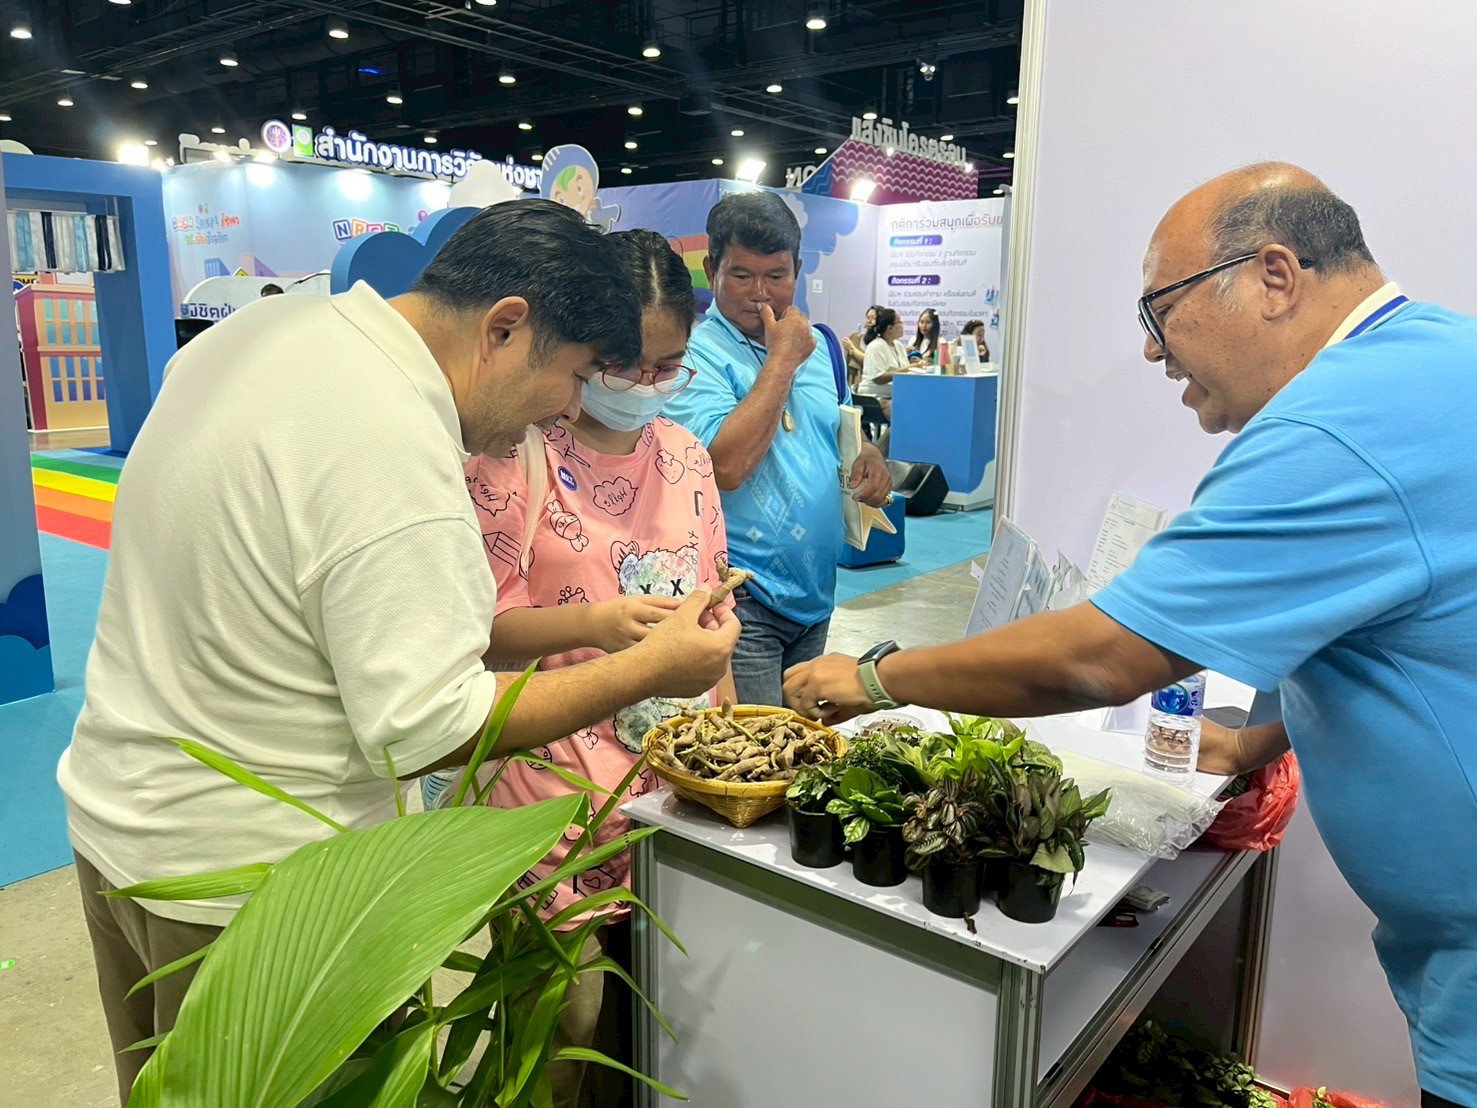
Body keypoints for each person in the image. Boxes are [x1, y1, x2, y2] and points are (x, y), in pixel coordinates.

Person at [783, 163, 1477, 1108]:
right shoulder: (1432, 361)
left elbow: (1100, 655)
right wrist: (1261, 740)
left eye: (1161, 310)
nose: (1153, 350)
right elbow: (1407, 625)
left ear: (1273, 277)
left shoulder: (1336, 430)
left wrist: (875, 676)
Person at [57, 201, 739, 1104]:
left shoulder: (262, 334)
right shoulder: (392, 443)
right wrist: (648, 670)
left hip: (118, 819)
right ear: (504, 327)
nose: (570, 408)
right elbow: (426, 726)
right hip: (253, 887)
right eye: (575, 374)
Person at [465, 229, 735, 1107]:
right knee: (561, 1034)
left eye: (669, 366)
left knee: (657, 1031)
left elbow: (712, 603)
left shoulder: (685, 456)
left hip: (670, 801)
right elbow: (481, 632)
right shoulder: (511, 453)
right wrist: (596, 623)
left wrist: (725, 737)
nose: (645, 385)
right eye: (625, 365)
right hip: (548, 808)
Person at [662, 189, 892, 707]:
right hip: (742, 595)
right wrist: (782, 361)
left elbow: (842, 424)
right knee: (756, 747)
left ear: (798, 270)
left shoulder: (821, 345)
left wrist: (869, 454)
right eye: (741, 276)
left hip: (818, 589)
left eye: (777, 276)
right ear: (711, 269)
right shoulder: (694, 356)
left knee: (803, 740)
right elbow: (725, 466)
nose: (760, 294)